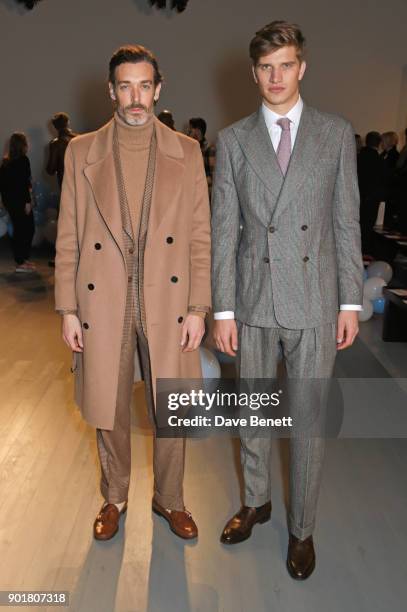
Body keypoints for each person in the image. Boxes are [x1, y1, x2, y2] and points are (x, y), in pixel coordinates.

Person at [211, 21, 363, 580]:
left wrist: (351, 302)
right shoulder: (231, 141)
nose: (276, 77)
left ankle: (302, 528)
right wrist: (222, 310)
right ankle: (257, 501)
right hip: (251, 300)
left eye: (286, 64)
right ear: (254, 74)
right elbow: (224, 230)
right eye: (266, 67)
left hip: (316, 300)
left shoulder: (335, 133)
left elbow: (346, 223)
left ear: (303, 68)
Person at [55, 45, 211, 541]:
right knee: (108, 406)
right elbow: (67, 236)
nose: (135, 97)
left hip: (168, 303)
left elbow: (200, 237)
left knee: (173, 407)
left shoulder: (186, 153)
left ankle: (170, 500)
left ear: (158, 88)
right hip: (104, 303)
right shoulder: (81, 151)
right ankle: (114, 496)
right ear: (111, 90)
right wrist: (67, 307)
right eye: (125, 86)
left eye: (144, 85)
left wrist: (198, 307)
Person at [0, 132, 35, 273]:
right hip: (20, 201)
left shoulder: (5, 162)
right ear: (22, 145)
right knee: (27, 229)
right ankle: (21, 262)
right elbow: (24, 184)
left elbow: (1, 185)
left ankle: (22, 260)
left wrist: (4, 200)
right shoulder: (23, 160)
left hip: (11, 202)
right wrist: (27, 202)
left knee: (21, 230)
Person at [358, 131, 386, 253]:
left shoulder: (359, 156)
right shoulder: (379, 159)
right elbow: (383, 179)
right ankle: (365, 248)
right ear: (379, 143)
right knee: (368, 224)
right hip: (372, 196)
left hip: (359, 194)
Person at [46, 112, 77, 188]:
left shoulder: (55, 144)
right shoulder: (78, 139)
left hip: (65, 183)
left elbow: (51, 170)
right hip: (79, 180)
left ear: (55, 127)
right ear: (68, 122)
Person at [188, 117, 216, 195]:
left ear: (198, 130)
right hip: (195, 192)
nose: (188, 132)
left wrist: (195, 180)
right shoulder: (194, 147)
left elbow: (214, 176)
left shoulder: (210, 148)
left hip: (206, 193)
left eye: (190, 129)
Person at [381, 131, 400, 228]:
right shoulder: (384, 154)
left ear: (388, 141)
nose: (381, 143)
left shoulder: (394, 155)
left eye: (383, 141)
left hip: (390, 189)